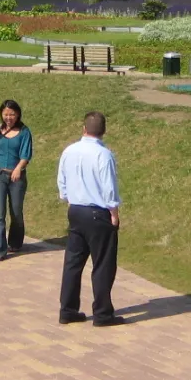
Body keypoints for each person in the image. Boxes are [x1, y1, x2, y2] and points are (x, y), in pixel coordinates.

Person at [57, 110, 124, 327]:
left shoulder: (69, 150)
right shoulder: (104, 155)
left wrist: (69, 199)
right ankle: (102, 313)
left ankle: (67, 310)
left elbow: (62, 181)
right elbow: (109, 187)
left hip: (76, 210)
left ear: (84, 128)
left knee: (73, 262)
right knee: (103, 263)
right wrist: (114, 213)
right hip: (97, 213)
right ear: (103, 131)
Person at [0, 99, 33, 260]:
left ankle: (15, 242)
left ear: (18, 114)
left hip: (16, 177)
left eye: (12, 114)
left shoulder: (24, 132)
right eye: (5, 114)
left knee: (16, 211)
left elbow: (26, 154)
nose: (8, 117)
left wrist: (18, 168)